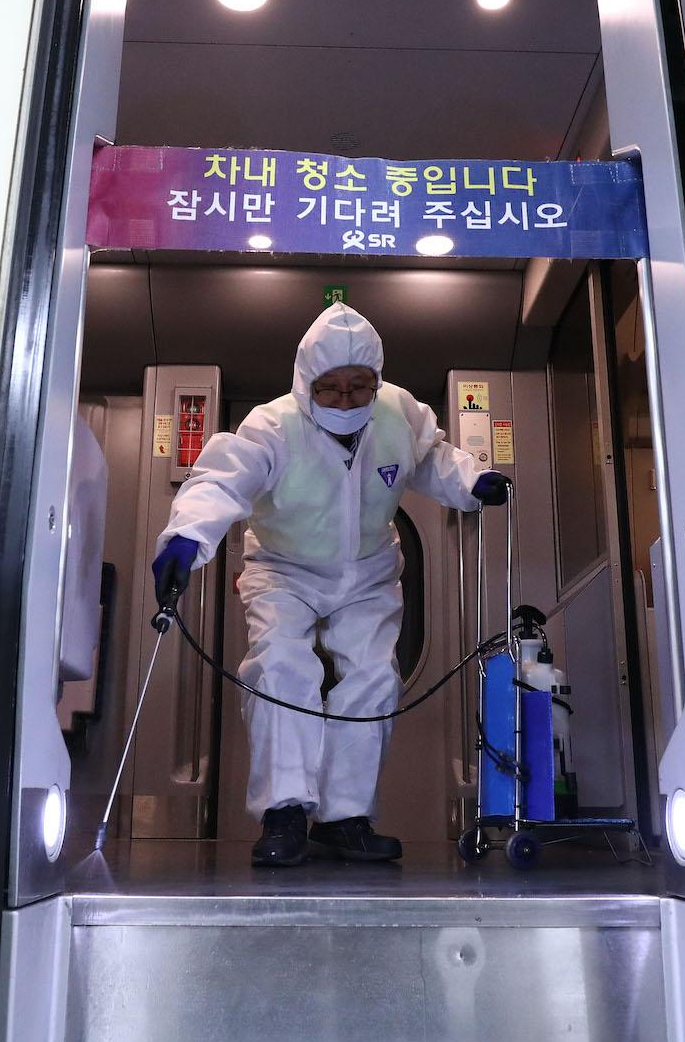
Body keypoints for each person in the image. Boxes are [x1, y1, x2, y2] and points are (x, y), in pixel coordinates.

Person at [150, 303, 510, 866]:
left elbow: (432, 459)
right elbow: (221, 480)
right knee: (281, 667)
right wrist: (185, 539)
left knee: (374, 679)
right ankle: (285, 812)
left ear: (378, 379)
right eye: (331, 389)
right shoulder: (272, 427)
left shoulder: (398, 414)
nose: (345, 400)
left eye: (359, 387)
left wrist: (471, 482)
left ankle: (346, 817)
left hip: (368, 571)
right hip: (283, 567)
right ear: (305, 382)